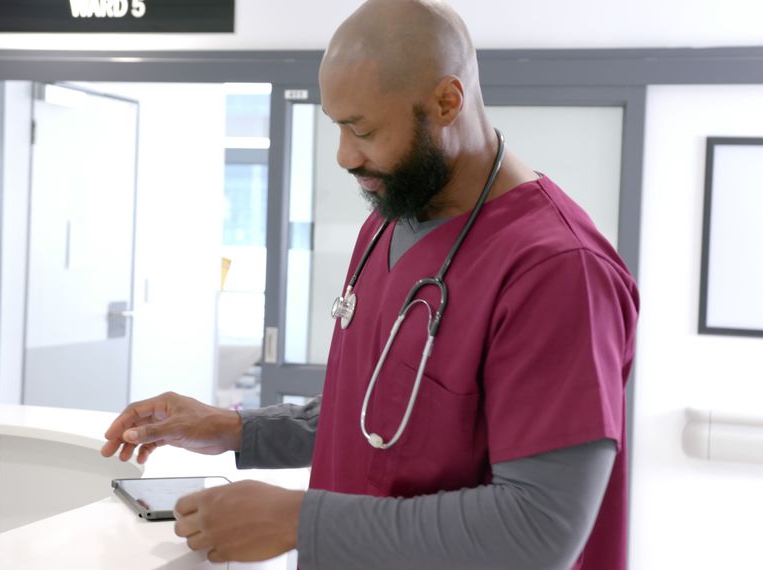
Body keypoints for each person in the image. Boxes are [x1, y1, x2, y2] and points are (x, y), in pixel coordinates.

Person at [100, 1, 639, 569]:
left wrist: (295, 519)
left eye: (363, 130)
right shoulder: (389, 221)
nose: (344, 156)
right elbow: (385, 420)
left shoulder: (557, 269)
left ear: (447, 102)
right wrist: (235, 429)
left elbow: (540, 530)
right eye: (337, 125)